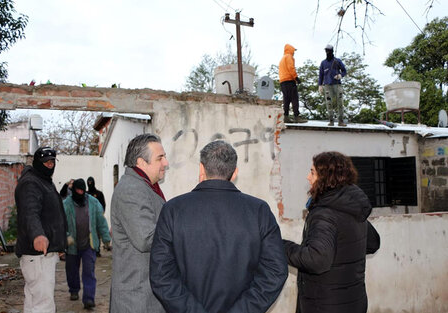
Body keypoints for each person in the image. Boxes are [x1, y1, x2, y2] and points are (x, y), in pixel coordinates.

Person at [150, 140, 288, 313]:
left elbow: (161, 276)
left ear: (201, 169)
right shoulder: (259, 211)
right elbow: (275, 271)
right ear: (235, 172)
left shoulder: (173, 209)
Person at [283, 151, 380, 313]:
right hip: (354, 302)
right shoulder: (352, 207)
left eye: (312, 172)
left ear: (326, 177)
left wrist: (281, 246)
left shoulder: (325, 213)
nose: (308, 177)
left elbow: (317, 259)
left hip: (325, 305)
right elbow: (372, 243)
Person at [109, 133, 168, 313]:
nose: (166, 163)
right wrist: (180, 228)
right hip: (136, 297)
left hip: (144, 292)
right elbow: (145, 239)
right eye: (160, 158)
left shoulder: (143, 186)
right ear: (142, 162)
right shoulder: (132, 190)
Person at [15, 147, 67, 313]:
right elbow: (30, 212)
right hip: (37, 256)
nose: (50, 165)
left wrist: (59, 244)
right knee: (43, 305)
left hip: (42, 255)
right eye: (46, 162)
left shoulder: (42, 180)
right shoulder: (31, 183)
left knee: (33, 302)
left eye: (52, 161)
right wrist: (37, 234)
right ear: (38, 162)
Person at [63, 178, 111, 310]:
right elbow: (61, 223)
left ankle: (89, 298)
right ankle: (73, 289)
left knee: (89, 271)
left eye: (82, 190)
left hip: (89, 244)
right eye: (77, 190)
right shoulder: (66, 204)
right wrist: (66, 237)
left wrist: (106, 239)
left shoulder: (93, 202)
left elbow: (101, 222)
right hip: (72, 245)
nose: (80, 192)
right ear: (73, 191)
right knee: (72, 270)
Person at [318, 44, 347, 126]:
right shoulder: (323, 63)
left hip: (337, 85)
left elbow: (344, 71)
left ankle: (340, 121)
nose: (327, 52)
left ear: (332, 51)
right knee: (329, 103)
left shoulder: (337, 61)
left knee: (340, 103)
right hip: (327, 85)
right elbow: (321, 75)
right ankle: (331, 120)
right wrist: (320, 85)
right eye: (326, 51)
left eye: (329, 51)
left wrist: (340, 75)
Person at [279, 43, 307, 124]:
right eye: (293, 51)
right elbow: (291, 68)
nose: (294, 52)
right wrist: (296, 77)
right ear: (290, 50)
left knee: (286, 99)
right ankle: (296, 116)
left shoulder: (282, 58)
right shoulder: (289, 57)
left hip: (283, 82)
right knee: (294, 99)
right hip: (289, 81)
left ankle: (286, 116)